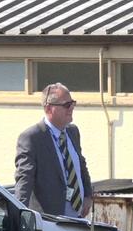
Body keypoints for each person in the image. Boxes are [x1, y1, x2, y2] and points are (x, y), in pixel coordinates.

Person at [14, 82, 92, 218]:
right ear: (49, 109)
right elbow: (24, 179)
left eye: (72, 103)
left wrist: (88, 195)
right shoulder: (32, 137)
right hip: (50, 221)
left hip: (77, 218)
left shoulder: (73, 132)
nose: (71, 108)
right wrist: (19, 215)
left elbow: (80, 164)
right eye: (67, 105)